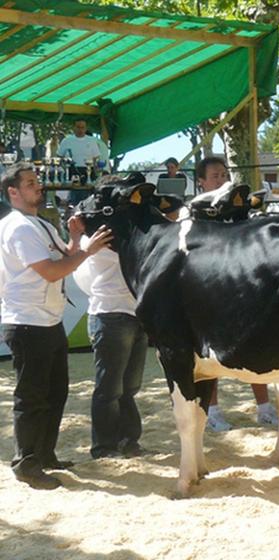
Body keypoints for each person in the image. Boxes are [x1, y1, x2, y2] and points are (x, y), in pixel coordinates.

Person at [0, 163, 111, 489]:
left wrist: (76, 238)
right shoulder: (18, 227)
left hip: (46, 320)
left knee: (55, 392)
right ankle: (26, 462)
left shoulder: (38, 224)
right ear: (13, 192)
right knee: (32, 397)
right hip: (26, 321)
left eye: (37, 182)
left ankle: (45, 455)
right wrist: (87, 250)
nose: (39, 187)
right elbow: (52, 271)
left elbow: (66, 256)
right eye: (31, 183)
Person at [194, 157, 278, 429]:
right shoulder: (195, 212)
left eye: (224, 174)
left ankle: (264, 408)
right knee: (207, 354)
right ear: (201, 183)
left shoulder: (240, 208)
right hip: (209, 291)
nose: (221, 179)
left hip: (243, 288)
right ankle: (212, 412)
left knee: (255, 346)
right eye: (215, 176)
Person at [74, 177, 148, 458]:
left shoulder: (127, 229)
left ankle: (129, 440)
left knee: (128, 387)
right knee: (109, 388)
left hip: (134, 312)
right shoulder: (99, 234)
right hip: (109, 313)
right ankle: (104, 446)